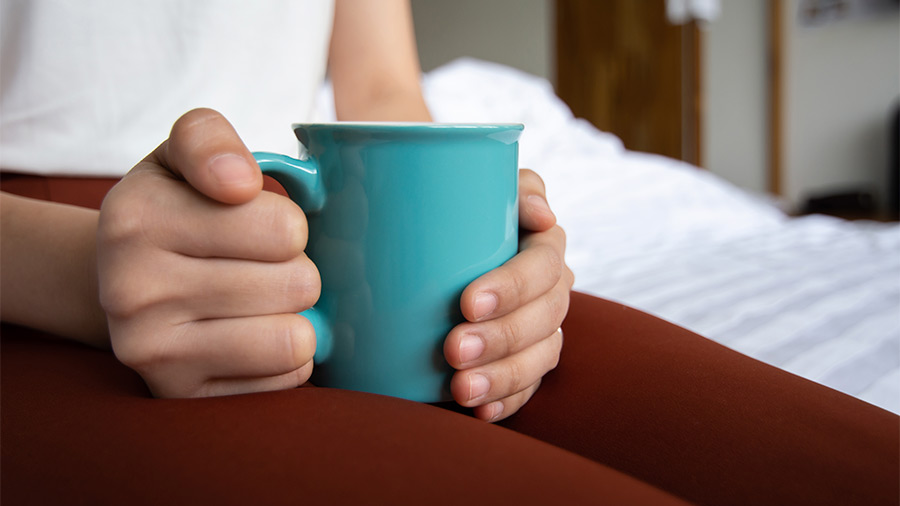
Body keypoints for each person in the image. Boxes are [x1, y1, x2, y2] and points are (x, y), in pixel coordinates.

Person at [1, 1, 896, 505]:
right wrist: (77, 272)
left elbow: (385, 87)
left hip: (310, 242)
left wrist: (470, 234)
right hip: (37, 268)